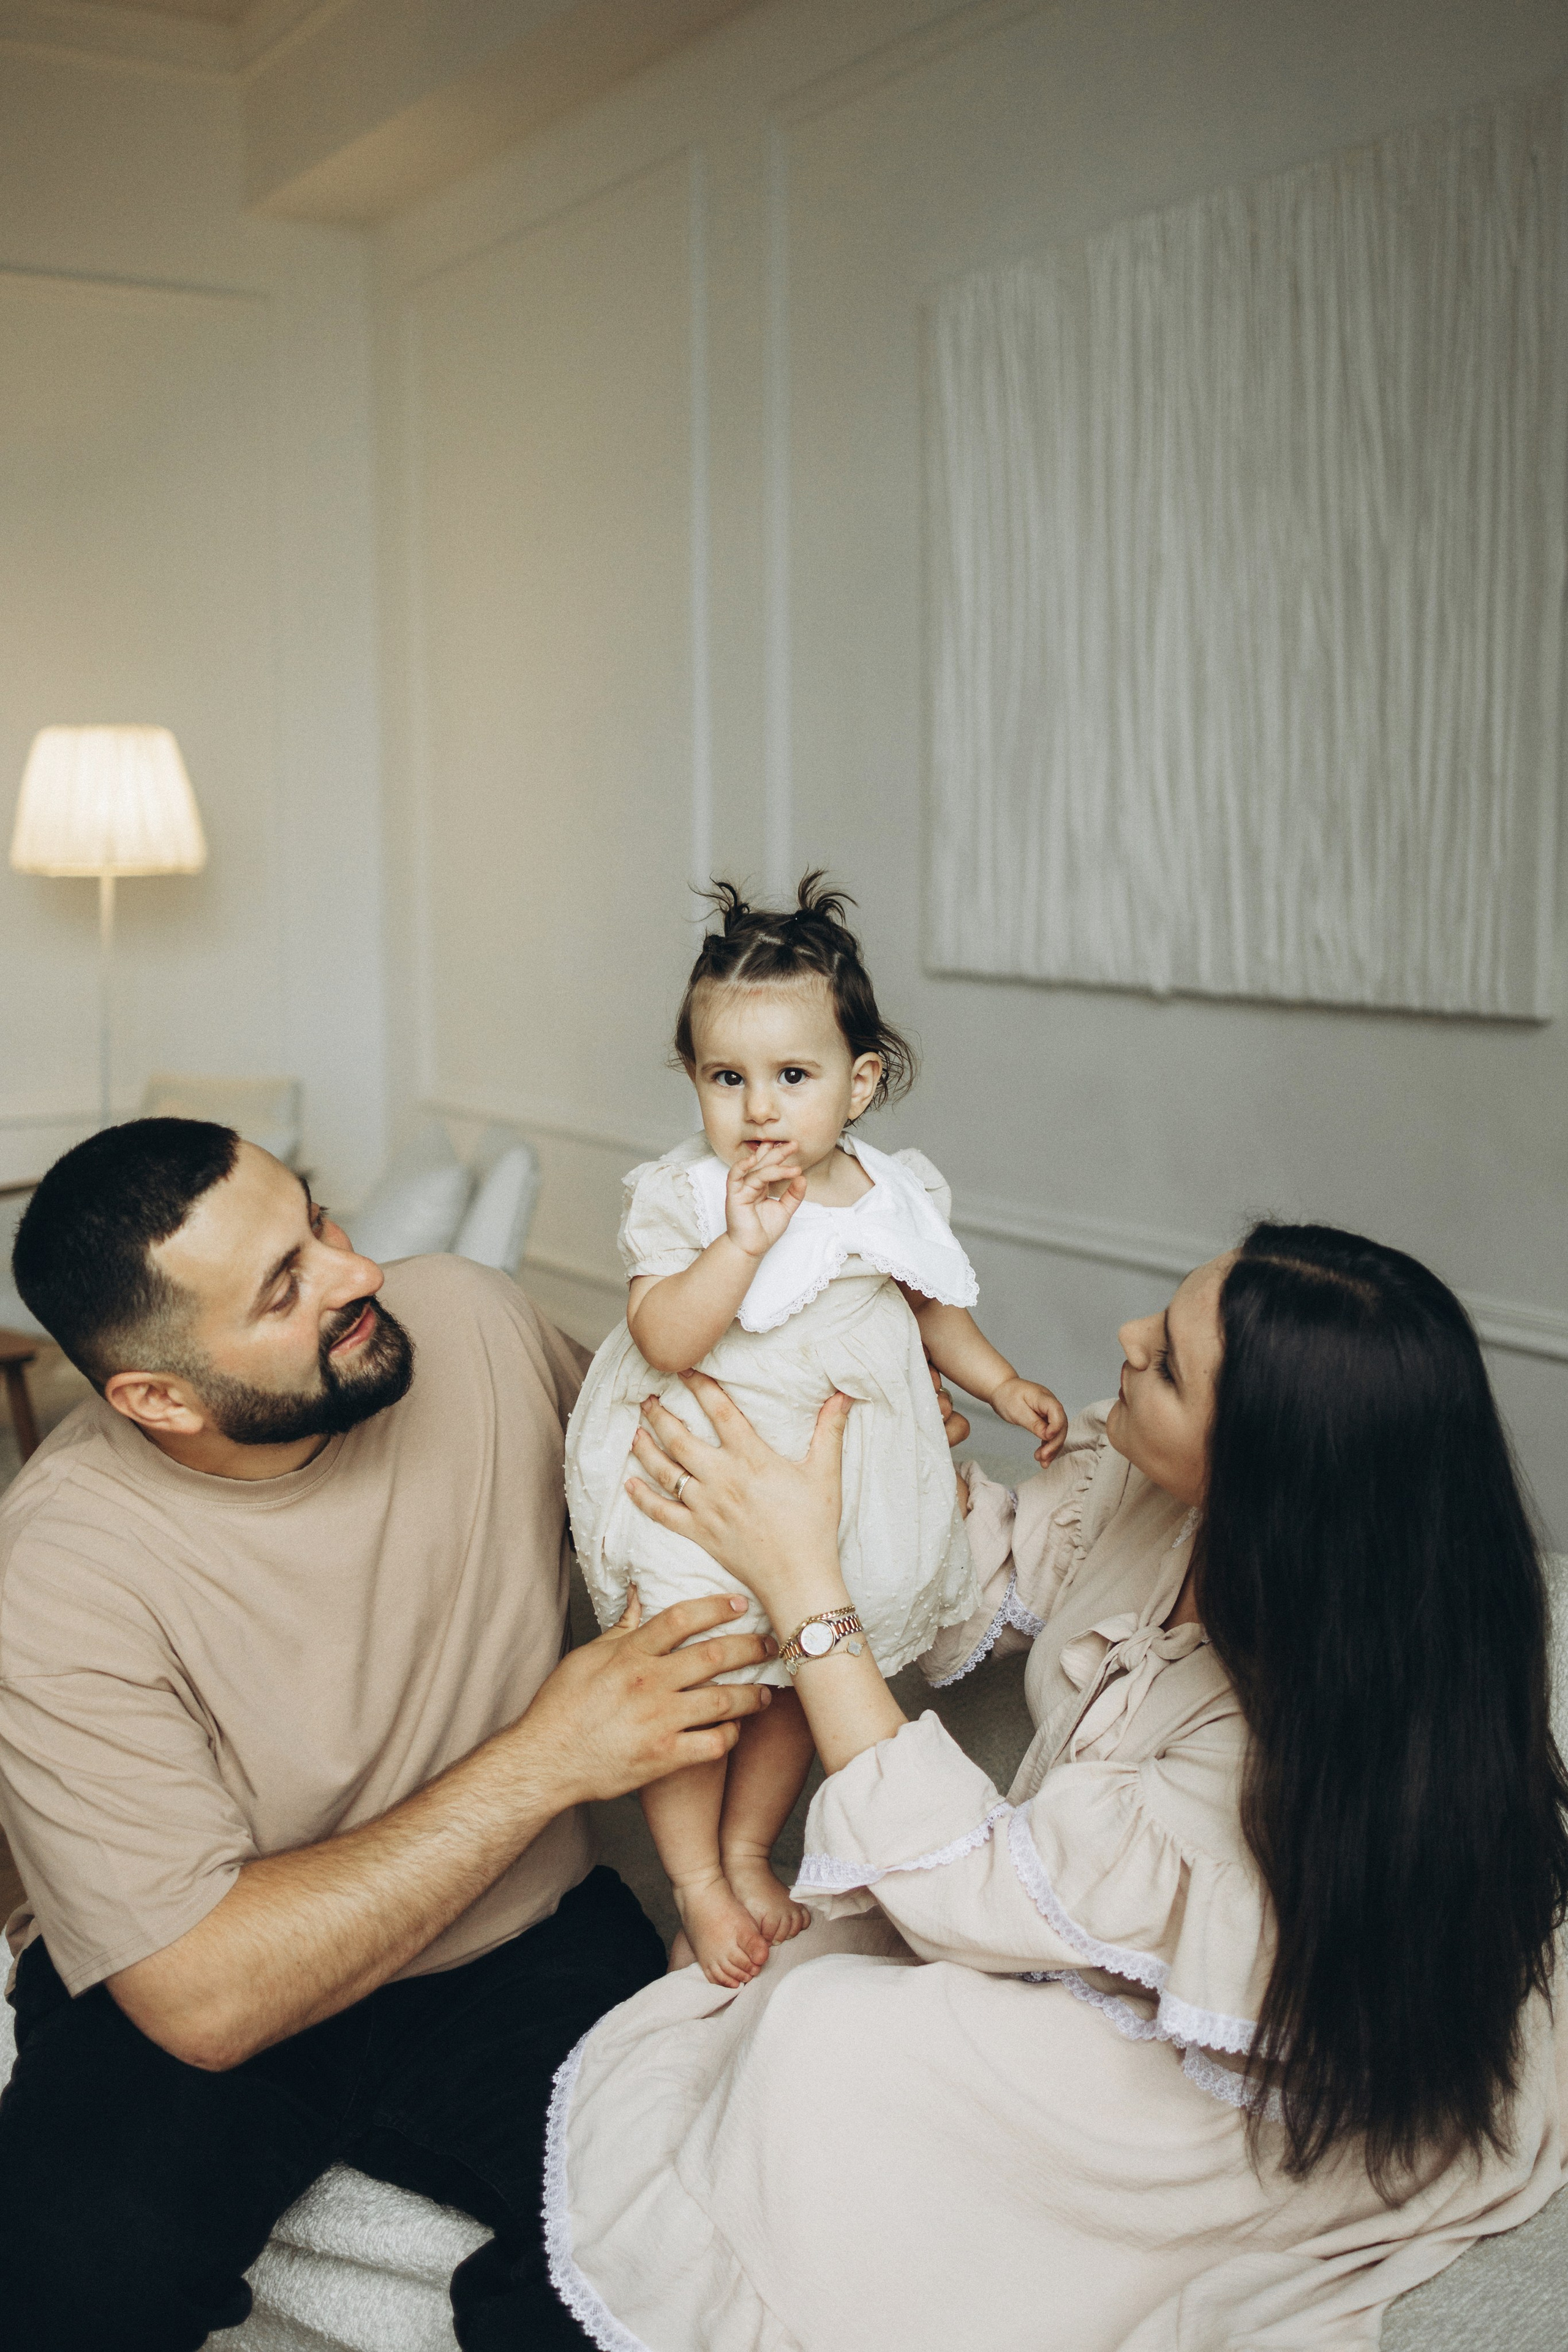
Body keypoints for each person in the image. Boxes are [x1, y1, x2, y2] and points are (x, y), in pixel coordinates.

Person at [543, 1224, 1568, 2351]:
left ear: (1268, 1472)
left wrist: (804, 1585)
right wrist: (888, 1466)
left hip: (1231, 2070)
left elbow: (975, 1888)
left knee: (829, 2042)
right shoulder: (1150, 1488)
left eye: (1167, 1365)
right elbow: (971, 1581)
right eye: (1161, 1319)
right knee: (778, 1982)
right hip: (1080, 1925)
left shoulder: (1297, 1733)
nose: (1126, 1339)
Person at [0, 1118, 778, 2352]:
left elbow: (688, 1482)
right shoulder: (58, 1566)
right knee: (62, 2277)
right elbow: (202, 2000)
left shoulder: (471, 1323)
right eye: (284, 1288)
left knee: (683, 2248)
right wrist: (547, 1758)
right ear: (158, 1398)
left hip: (517, 1948)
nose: (358, 1272)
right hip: (212, 1959)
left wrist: (879, 1445)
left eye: (317, 1221)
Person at [565, 873, 1066, 1986]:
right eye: (727, 1078)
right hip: (705, 1461)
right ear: (693, 1080)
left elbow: (934, 1305)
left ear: (859, 1082)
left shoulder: (893, 1190)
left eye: (793, 1077)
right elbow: (664, 1334)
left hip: (833, 1479)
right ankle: (695, 1879)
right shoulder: (687, 1196)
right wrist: (739, 1246)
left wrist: (999, 1382)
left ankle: (750, 1851)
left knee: (806, 1663)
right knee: (695, 1671)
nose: (759, 1110)